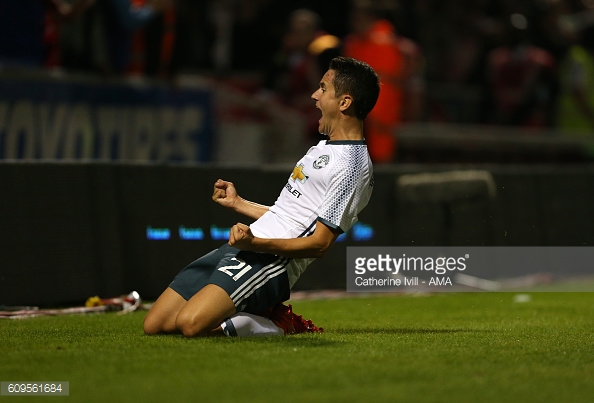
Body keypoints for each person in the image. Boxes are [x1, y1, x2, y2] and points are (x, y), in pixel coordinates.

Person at [143, 56, 380, 337]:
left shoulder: (352, 166)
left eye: (323, 89)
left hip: (271, 261)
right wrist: (238, 203)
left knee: (190, 325)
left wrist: (257, 243)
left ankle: (281, 323)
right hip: (250, 243)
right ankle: (260, 311)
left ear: (344, 102)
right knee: (155, 325)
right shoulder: (322, 148)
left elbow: (319, 244)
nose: (314, 96)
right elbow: (287, 215)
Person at [343, 0, 405, 163]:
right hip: (355, 114)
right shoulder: (353, 43)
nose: (354, 21)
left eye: (358, 17)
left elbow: (387, 83)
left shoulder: (384, 42)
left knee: (380, 162)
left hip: (379, 116)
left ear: (370, 17)